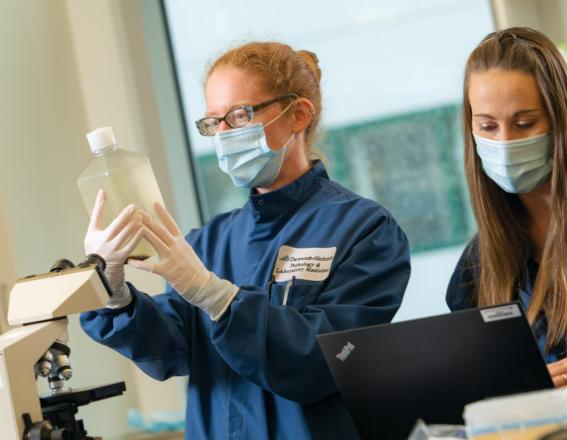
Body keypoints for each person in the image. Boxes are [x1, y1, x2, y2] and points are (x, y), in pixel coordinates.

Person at [80, 41, 411, 439]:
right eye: (212, 122)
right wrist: (115, 295)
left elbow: (318, 363)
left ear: (298, 115)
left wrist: (215, 296)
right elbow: (172, 349)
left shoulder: (365, 230)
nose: (223, 134)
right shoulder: (207, 242)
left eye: (239, 115)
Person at [446, 27, 567, 387]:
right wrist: (524, 388)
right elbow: (474, 380)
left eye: (524, 123)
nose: (505, 142)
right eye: (487, 126)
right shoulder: (480, 261)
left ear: (560, 118)